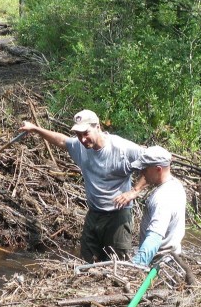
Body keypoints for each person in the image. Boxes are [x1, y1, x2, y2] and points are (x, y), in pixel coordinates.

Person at [20, 109, 146, 262]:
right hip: (94, 214)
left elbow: (153, 162)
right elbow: (61, 140)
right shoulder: (80, 147)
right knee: (87, 262)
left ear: (97, 127)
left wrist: (134, 191)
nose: (82, 139)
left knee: (117, 263)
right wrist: (35, 128)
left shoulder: (122, 148)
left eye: (86, 133)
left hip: (118, 216)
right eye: (78, 135)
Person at [131, 145, 187, 268]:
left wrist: (135, 266)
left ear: (158, 169)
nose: (142, 173)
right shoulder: (175, 185)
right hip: (172, 258)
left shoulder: (163, 197)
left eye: (145, 169)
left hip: (160, 265)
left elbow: (154, 238)